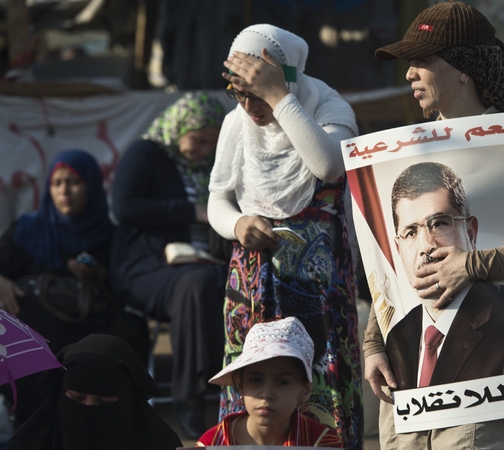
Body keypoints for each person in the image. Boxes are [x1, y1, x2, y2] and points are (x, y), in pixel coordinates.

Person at [367, 2, 504, 448]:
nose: (409, 73)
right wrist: (373, 343)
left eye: (423, 60)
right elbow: (384, 262)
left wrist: (471, 264)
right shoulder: (405, 148)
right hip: (405, 380)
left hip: (486, 380)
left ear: (464, 68)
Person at [207, 24, 362, 448]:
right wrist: (238, 224)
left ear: (287, 77)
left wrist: (280, 97)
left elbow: (328, 166)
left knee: (321, 383)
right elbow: (217, 201)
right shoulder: (236, 124)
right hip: (254, 282)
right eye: (238, 93)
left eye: (256, 92)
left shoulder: (329, 108)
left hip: (318, 286)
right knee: (254, 387)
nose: (249, 105)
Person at [110, 92, 228, 439]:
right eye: (198, 139)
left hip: (204, 264)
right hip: (146, 267)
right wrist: (193, 212)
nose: (203, 149)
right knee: (197, 284)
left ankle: (238, 390)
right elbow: (125, 207)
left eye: (211, 143)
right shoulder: (146, 153)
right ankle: (189, 397)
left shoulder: (211, 167)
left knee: (226, 280)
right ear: (179, 129)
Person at [0, 149, 147, 423]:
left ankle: (113, 418)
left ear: (91, 186)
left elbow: (125, 285)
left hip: (92, 318)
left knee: (131, 331)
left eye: (74, 182)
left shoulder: (109, 234)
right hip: (40, 318)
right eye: (57, 183)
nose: (65, 191)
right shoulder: (30, 229)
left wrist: (98, 274)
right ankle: (34, 420)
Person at [384, 162, 504, 393]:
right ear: (398, 249)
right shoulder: (397, 335)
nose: (426, 246)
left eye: (438, 224)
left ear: (470, 232)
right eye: (411, 232)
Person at [7, 334, 182, 450]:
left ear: (129, 401)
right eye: (77, 398)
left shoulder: (162, 445)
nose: (88, 409)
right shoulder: (27, 444)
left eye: (104, 401)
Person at [196, 317, 344, 447]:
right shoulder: (211, 443)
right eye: (255, 380)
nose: (266, 394)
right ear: (240, 385)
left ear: (305, 391)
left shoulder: (322, 443)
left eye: (282, 382)